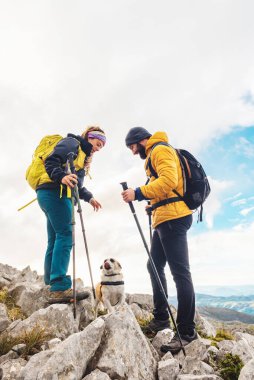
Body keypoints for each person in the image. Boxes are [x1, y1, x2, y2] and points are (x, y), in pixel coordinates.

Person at [121, 126, 197, 354]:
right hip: (165, 217)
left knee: (180, 273)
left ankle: (186, 332)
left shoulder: (159, 150)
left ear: (140, 140)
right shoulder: (155, 152)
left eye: (133, 147)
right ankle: (162, 318)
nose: (133, 152)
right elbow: (165, 188)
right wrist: (153, 204)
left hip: (174, 218)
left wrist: (139, 192)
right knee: (153, 265)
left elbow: (169, 181)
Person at [36, 126, 106, 304]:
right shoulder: (72, 143)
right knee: (66, 234)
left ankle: (50, 283)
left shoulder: (83, 157)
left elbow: (77, 186)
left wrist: (89, 198)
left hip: (48, 194)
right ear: (89, 137)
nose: (99, 148)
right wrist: (61, 177)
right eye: (98, 143)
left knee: (55, 238)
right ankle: (59, 286)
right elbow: (51, 161)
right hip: (55, 193)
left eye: (101, 146)